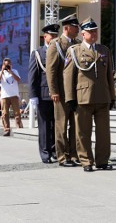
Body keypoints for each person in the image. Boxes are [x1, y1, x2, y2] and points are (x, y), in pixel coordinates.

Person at [64, 18, 115, 172]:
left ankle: (102, 161)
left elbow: (109, 77)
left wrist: (112, 96)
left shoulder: (104, 50)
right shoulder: (74, 51)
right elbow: (68, 76)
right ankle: (86, 161)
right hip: (83, 98)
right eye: (90, 32)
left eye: (95, 31)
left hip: (102, 97)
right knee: (83, 132)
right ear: (83, 33)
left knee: (103, 133)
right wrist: (70, 98)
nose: (94, 34)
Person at [46, 14, 80, 167]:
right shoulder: (56, 44)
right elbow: (51, 70)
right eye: (75, 27)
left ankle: (74, 154)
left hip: (76, 92)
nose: (78, 29)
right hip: (61, 92)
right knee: (61, 125)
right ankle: (62, 156)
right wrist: (54, 91)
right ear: (67, 28)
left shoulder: (78, 44)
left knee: (76, 125)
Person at [28, 23, 59, 163]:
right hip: (44, 94)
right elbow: (32, 76)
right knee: (45, 126)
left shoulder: (60, 50)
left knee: (56, 125)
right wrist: (33, 95)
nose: (53, 38)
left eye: (55, 36)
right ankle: (45, 153)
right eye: (50, 35)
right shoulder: (38, 53)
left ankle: (54, 150)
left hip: (58, 93)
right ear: (44, 37)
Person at [0, 57, 23, 136]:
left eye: (8, 65)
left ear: (11, 65)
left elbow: (18, 79)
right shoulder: (1, 73)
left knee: (17, 113)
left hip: (14, 95)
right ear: (3, 65)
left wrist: (11, 72)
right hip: (4, 96)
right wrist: (2, 71)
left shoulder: (14, 71)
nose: (7, 66)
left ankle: (19, 128)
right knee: (5, 114)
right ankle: (6, 129)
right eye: (5, 65)